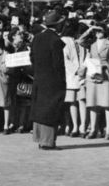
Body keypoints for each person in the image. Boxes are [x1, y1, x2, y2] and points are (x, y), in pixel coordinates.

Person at [30, 11, 67, 150]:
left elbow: (31, 57)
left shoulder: (37, 38)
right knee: (51, 110)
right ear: (57, 25)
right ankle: (48, 141)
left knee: (40, 109)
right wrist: (62, 80)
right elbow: (58, 64)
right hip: (53, 81)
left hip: (39, 78)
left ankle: (40, 140)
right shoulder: (56, 40)